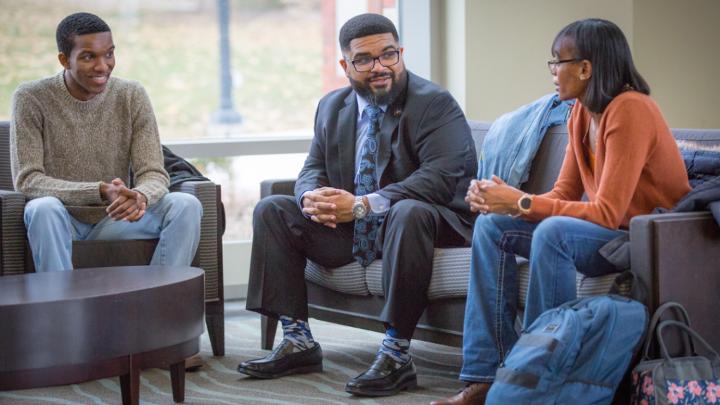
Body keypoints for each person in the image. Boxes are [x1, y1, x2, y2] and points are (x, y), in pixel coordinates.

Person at [431, 18, 691, 405]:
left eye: (558, 61)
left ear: (585, 68)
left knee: (554, 233)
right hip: (609, 232)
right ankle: (488, 377)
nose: (553, 72)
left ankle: (541, 380)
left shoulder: (631, 110)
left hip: (647, 236)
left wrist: (520, 202)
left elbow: (606, 212)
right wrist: (503, 198)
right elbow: (563, 192)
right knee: (491, 227)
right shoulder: (580, 114)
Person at [239, 13, 476, 397]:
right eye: (365, 60)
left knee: (407, 210)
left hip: (430, 223)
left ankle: (397, 354)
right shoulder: (333, 107)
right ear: (345, 65)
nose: (380, 67)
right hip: (357, 229)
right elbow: (312, 167)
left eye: (389, 55)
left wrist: (365, 204)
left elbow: (440, 178)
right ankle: (298, 341)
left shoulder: (434, 104)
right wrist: (309, 196)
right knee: (273, 209)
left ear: (401, 53)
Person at [10, 13, 202, 276]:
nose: (103, 66)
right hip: (62, 219)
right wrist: (99, 191)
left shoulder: (131, 95)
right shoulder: (31, 97)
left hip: (116, 219)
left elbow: (154, 173)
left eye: (109, 54)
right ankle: (63, 310)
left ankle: (156, 304)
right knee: (42, 208)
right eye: (89, 57)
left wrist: (141, 196)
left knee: (186, 205)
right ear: (64, 60)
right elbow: (28, 180)